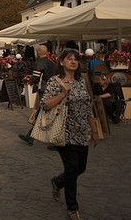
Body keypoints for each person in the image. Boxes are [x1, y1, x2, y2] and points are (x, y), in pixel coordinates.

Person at [42, 49, 99, 220]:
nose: (73, 62)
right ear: (61, 62)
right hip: (63, 132)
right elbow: (45, 105)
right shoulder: (55, 81)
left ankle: (58, 182)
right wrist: (62, 94)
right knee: (72, 168)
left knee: (81, 167)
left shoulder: (81, 81)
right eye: (69, 59)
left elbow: (87, 106)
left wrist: (94, 129)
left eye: (76, 59)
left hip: (81, 131)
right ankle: (72, 208)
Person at [19, 45, 57, 146]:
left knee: (41, 113)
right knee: (45, 113)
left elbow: (36, 77)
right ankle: (30, 137)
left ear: (38, 53)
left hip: (44, 89)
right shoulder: (53, 63)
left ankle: (32, 138)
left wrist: (30, 81)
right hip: (53, 89)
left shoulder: (39, 63)